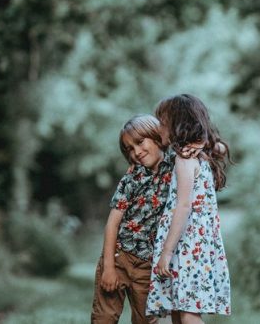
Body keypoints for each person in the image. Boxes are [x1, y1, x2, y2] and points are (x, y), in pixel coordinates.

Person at [91, 114, 204, 324]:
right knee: (103, 318)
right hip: (119, 257)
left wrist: (200, 144)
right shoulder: (132, 177)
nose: (136, 152)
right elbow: (112, 223)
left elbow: (217, 149)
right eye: (129, 149)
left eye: (140, 142)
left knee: (146, 320)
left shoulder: (178, 164)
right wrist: (108, 267)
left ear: (157, 135)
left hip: (149, 266)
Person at [147, 94, 232, 323]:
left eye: (162, 123)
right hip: (193, 243)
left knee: (187, 313)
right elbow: (221, 148)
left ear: (177, 125)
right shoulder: (199, 154)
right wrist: (204, 142)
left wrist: (166, 253)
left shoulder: (185, 159)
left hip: (186, 245)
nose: (159, 129)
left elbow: (183, 206)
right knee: (179, 308)